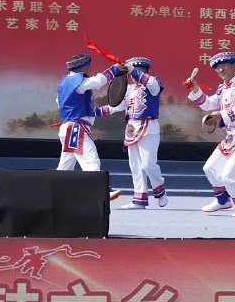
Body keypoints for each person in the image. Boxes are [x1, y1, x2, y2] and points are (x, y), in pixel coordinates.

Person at [186, 52, 235, 217]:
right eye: (217, 68)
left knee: (230, 176)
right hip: (232, 136)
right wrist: (196, 90)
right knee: (210, 168)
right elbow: (208, 104)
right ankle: (223, 200)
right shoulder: (223, 89)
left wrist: (220, 114)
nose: (220, 70)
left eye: (224, 66)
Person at [56, 51, 125, 200]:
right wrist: (114, 69)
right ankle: (101, 190)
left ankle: (54, 193)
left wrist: (115, 108)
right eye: (89, 66)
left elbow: (90, 112)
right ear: (84, 67)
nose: (90, 69)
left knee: (65, 166)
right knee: (90, 159)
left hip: (70, 128)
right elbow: (98, 81)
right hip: (75, 129)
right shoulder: (78, 82)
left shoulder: (65, 85)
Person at [116, 57, 168, 210]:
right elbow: (118, 106)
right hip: (131, 128)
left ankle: (159, 189)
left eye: (135, 71)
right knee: (135, 166)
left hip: (148, 126)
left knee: (148, 164)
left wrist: (133, 70)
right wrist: (96, 111)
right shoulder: (129, 89)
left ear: (144, 70)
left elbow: (152, 84)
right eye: (131, 71)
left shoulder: (153, 83)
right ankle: (139, 199)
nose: (132, 74)